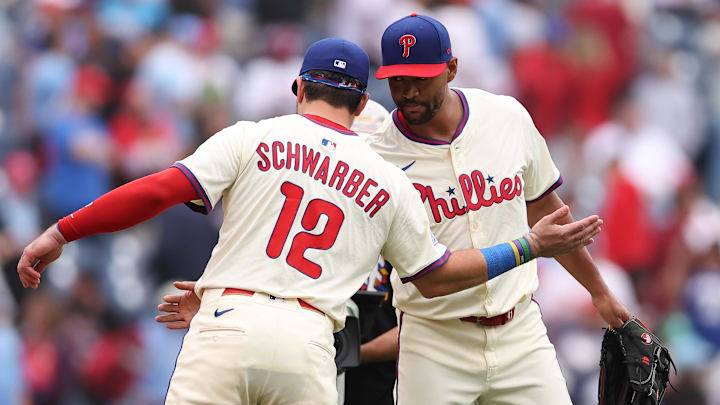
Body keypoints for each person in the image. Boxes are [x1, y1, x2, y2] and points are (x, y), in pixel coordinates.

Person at [18, 38, 601, 405]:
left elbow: (158, 190)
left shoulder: (254, 137)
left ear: (298, 86)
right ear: (366, 104)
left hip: (225, 320)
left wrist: (60, 231)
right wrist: (528, 246)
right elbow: (438, 275)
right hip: (309, 345)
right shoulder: (388, 179)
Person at [369, 14, 631, 404]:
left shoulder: (507, 117)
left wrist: (601, 294)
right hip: (434, 340)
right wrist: (532, 246)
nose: (408, 91)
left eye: (420, 78)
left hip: (520, 332)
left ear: (451, 68)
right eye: (397, 79)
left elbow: (546, 213)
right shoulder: (376, 153)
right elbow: (431, 278)